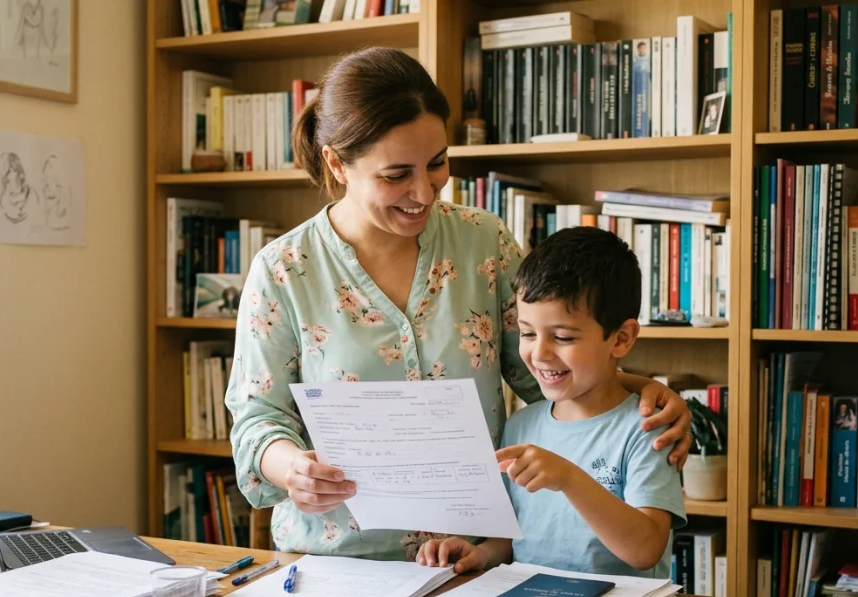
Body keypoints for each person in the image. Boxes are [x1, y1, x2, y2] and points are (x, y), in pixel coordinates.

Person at [224, 47, 693, 560]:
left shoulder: (483, 242)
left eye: (437, 163)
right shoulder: (284, 269)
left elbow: (546, 365)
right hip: (337, 560)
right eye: (396, 174)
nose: (424, 192)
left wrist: (640, 392)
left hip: (470, 558)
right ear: (337, 163)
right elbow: (257, 417)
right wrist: (291, 468)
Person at [416, 227, 686, 577]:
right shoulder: (521, 426)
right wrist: (480, 553)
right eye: (527, 333)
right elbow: (514, 539)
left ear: (621, 339)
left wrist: (571, 479)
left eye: (562, 337)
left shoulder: (648, 429)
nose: (539, 353)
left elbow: (646, 549)